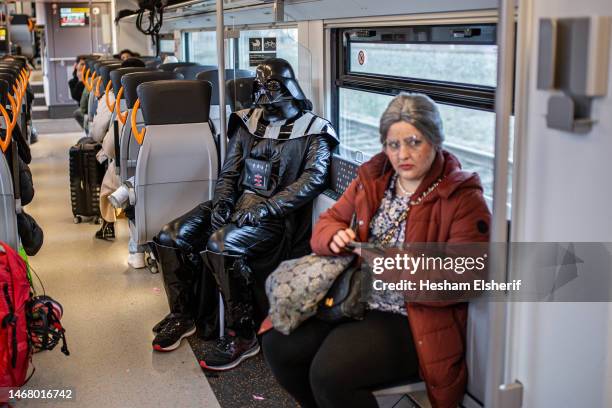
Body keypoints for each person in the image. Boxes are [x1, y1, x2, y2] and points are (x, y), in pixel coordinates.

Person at [261, 93, 491, 408]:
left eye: (414, 142)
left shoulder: (461, 197)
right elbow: (328, 222)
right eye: (393, 145)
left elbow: (468, 277)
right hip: (356, 294)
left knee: (330, 375)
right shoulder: (376, 178)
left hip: (412, 317)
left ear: (436, 140)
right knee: (279, 345)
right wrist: (334, 237)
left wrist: (392, 266)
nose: (402, 155)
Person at [150, 59, 338, 371]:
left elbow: (313, 180)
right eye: (259, 87)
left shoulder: (315, 131)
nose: (262, 94)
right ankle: (184, 314)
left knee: (222, 244)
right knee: (171, 235)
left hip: (274, 217)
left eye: (269, 87)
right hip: (238, 204)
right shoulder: (246, 123)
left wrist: (267, 207)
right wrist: (222, 202)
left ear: (286, 88)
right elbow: (230, 171)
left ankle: (243, 334)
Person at [69, 56, 87, 128]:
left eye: (85, 64)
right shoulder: (72, 82)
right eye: (82, 64)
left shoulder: (92, 78)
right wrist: (80, 81)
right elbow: (76, 97)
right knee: (77, 113)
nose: (84, 66)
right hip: (84, 107)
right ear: (76, 66)